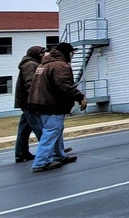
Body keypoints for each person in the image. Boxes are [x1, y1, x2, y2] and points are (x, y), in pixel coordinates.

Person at [26, 42, 86, 172]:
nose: (73, 56)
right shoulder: (60, 66)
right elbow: (64, 86)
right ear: (66, 53)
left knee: (56, 130)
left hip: (38, 103)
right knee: (51, 132)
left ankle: (59, 155)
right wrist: (80, 97)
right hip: (51, 105)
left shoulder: (44, 64)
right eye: (72, 53)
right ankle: (41, 162)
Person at [13, 46, 45, 163]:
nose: (43, 55)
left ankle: (21, 153)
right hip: (30, 102)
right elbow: (31, 84)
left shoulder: (31, 63)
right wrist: (36, 100)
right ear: (35, 54)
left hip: (27, 101)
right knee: (39, 127)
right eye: (42, 53)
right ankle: (49, 151)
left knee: (24, 129)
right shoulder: (30, 64)